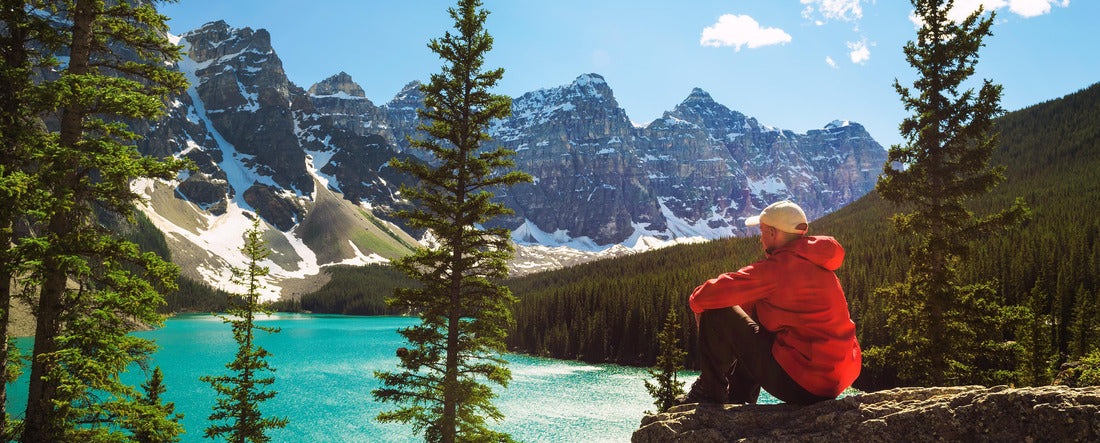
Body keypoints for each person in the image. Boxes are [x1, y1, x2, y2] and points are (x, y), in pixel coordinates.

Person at [678, 200, 861, 405]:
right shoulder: (820, 265)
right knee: (761, 313)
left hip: (804, 384)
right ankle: (739, 396)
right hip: (834, 381)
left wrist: (699, 309)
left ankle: (709, 393)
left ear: (773, 233)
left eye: (763, 232)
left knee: (715, 311)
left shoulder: (777, 269)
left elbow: (706, 296)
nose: (760, 239)